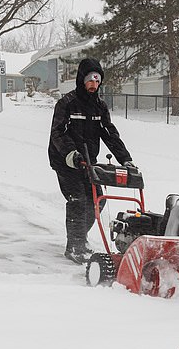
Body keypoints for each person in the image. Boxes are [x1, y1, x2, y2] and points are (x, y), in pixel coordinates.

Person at [48, 58, 136, 264]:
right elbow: (57, 132)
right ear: (82, 80)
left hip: (87, 161)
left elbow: (110, 134)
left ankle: (79, 237)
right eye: (90, 80)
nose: (94, 85)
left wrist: (126, 160)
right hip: (65, 160)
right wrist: (71, 154)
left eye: (97, 81)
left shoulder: (99, 107)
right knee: (78, 199)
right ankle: (75, 247)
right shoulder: (67, 103)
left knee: (98, 200)